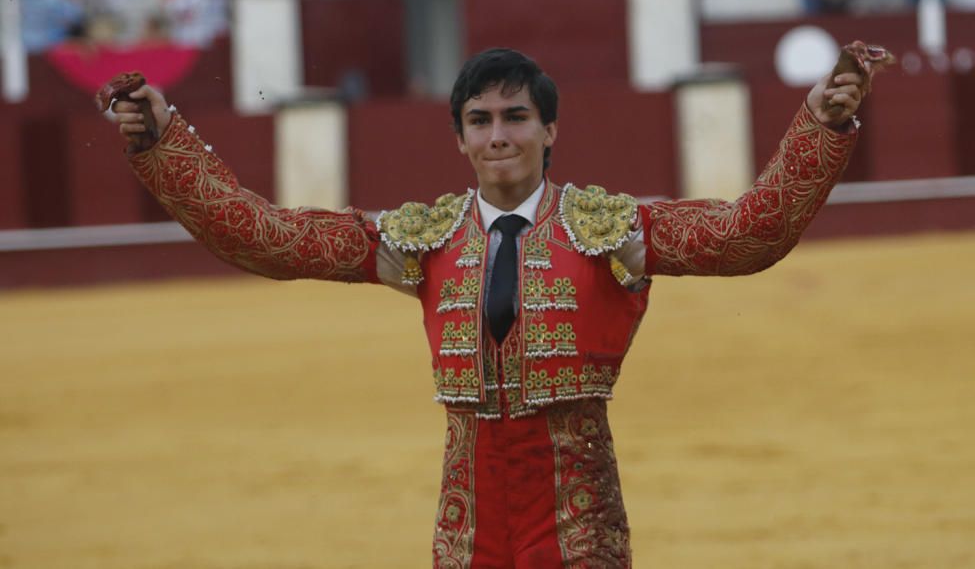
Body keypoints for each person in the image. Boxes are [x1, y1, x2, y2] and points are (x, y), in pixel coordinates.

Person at [104, 47, 875, 566]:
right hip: (465, 520)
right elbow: (269, 241)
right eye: (480, 120)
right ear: (460, 138)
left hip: (577, 521)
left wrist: (823, 122)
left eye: (514, 117)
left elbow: (748, 237)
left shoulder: (609, 228)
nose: (497, 135)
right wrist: (163, 140)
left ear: (549, 130)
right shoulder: (425, 239)